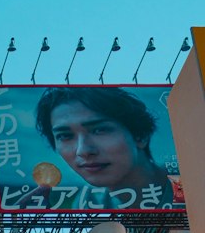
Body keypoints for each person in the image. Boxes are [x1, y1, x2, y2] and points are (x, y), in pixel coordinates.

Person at [33, 86, 182, 208]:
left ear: (140, 135)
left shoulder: (188, 181)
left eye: (100, 130)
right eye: (65, 136)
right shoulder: (89, 202)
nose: (83, 151)